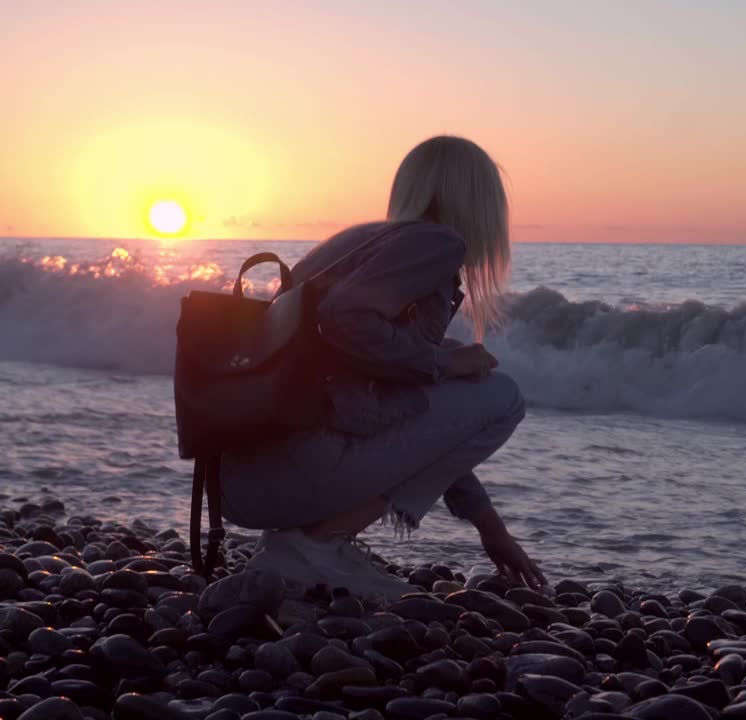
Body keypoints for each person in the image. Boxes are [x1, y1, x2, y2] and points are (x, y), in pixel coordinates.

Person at [217, 136, 544, 601]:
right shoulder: (435, 243)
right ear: (478, 200)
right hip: (298, 472)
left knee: (451, 375)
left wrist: (489, 526)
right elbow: (344, 319)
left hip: (243, 482)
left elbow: (424, 434)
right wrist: (443, 362)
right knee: (502, 395)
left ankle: (316, 540)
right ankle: (315, 544)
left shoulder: (358, 244)